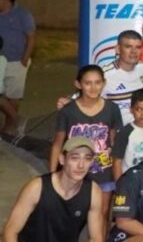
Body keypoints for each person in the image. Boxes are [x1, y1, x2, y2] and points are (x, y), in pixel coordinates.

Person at [50, 65, 123, 220]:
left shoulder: (112, 109)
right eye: (88, 83)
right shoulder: (68, 111)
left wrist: (118, 171)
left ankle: (99, 237)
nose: (93, 87)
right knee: (71, 213)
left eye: (97, 82)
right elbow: (57, 144)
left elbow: (114, 142)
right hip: (74, 171)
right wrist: (51, 176)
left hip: (103, 171)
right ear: (78, 84)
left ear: (104, 83)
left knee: (102, 213)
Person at [0, 0, 35, 141]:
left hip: (16, 62)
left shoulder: (22, 14)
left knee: (12, 96)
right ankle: (17, 121)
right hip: (0, 61)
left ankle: (9, 127)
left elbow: (31, 37)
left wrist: (24, 59)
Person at [102, 30, 143, 126]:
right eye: (128, 47)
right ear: (118, 49)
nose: (134, 51)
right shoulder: (104, 75)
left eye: (138, 47)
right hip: (117, 130)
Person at [112, 88, 143, 179]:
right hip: (131, 181)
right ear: (131, 110)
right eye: (138, 109)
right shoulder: (124, 133)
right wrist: (120, 185)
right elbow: (117, 163)